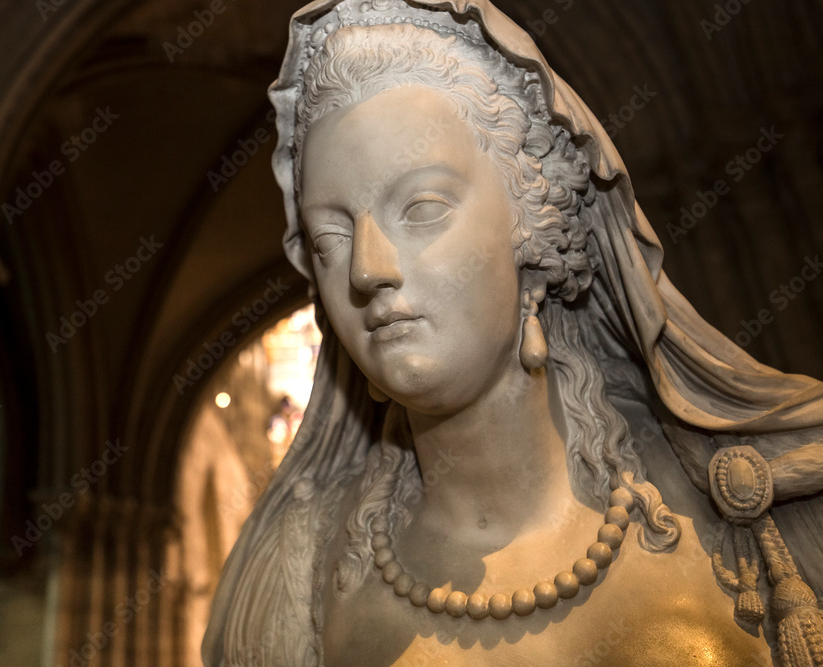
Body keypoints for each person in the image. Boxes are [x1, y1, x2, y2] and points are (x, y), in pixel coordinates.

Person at [204, 1, 823, 665]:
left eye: (422, 208)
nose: (367, 269)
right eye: (331, 237)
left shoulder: (764, 500)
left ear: (531, 219)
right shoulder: (291, 582)